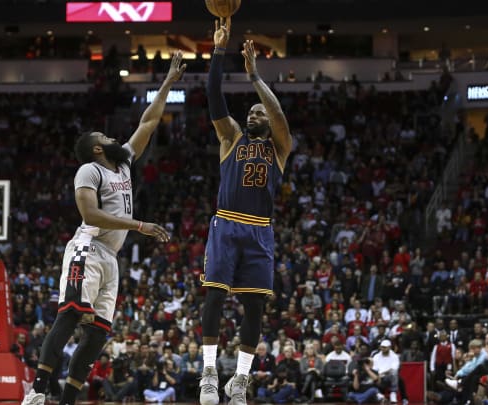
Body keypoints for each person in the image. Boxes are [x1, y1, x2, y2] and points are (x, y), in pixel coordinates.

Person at [21, 52, 186, 405]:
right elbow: (92, 216)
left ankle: (66, 400)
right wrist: (139, 224)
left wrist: (168, 82)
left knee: (97, 336)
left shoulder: (124, 163)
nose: (112, 136)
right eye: (104, 135)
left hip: (111, 256)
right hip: (88, 247)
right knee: (69, 318)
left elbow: (149, 122)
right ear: (97, 147)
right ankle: (36, 393)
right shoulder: (89, 170)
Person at [198, 17, 292, 405]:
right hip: (226, 224)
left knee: (254, 306)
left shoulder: (281, 147)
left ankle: (239, 379)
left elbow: (281, 116)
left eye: (259, 114)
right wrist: (219, 49)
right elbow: (213, 96)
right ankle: (208, 372)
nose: (253, 116)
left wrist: (256, 77)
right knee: (215, 297)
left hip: (260, 230)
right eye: (250, 113)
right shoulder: (231, 137)